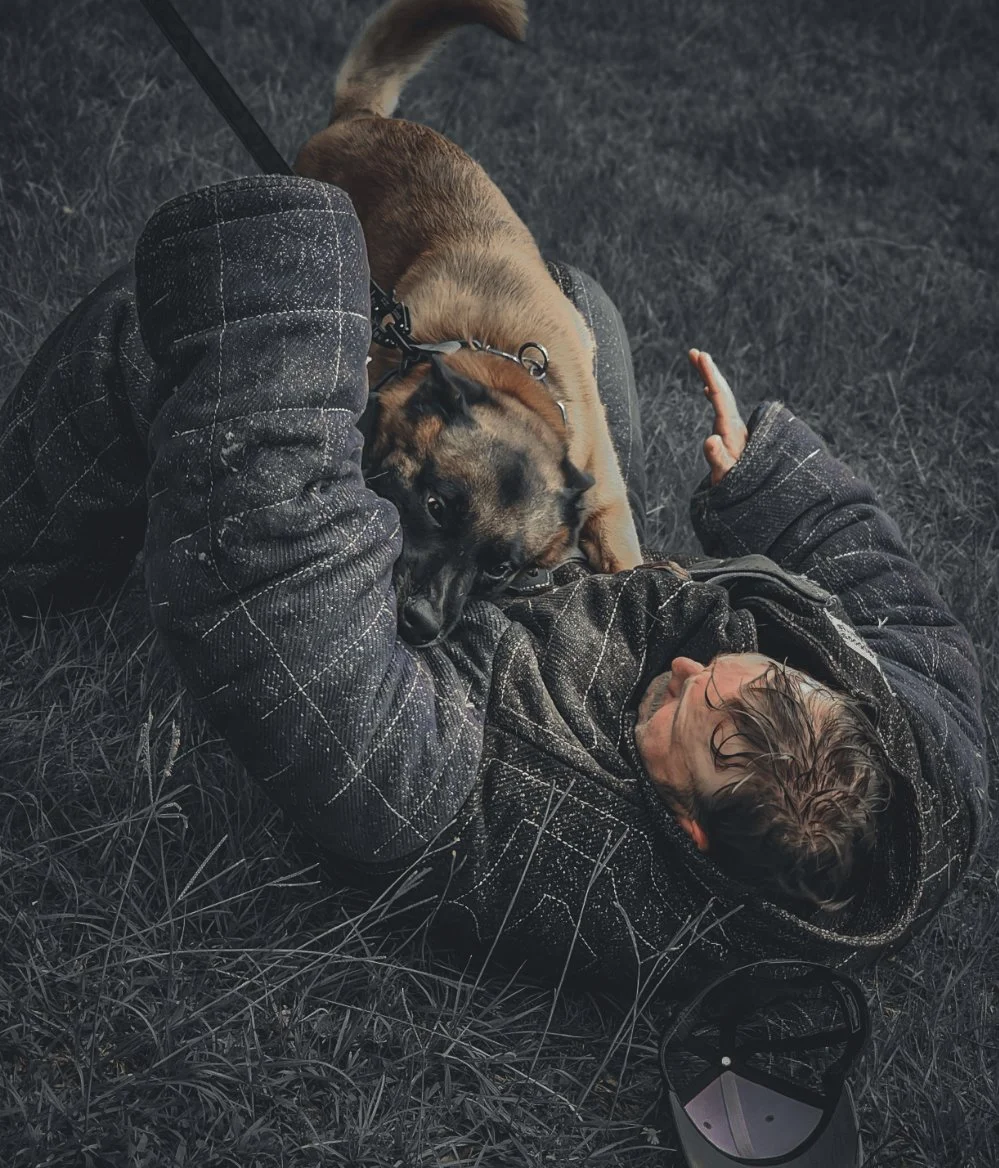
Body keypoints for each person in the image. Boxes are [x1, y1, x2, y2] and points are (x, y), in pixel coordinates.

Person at [0, 175, 989, 996]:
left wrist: (285, 310)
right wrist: (778, 490)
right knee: (578, 303)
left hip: (464, 629)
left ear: (684, 829)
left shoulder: (517, 820)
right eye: (742, 673)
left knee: (168, 322)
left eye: (684, 707)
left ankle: (25, 559)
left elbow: (281, 600)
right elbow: (910, 621)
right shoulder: (924, 785)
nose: (688, 668)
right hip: (577, 585)